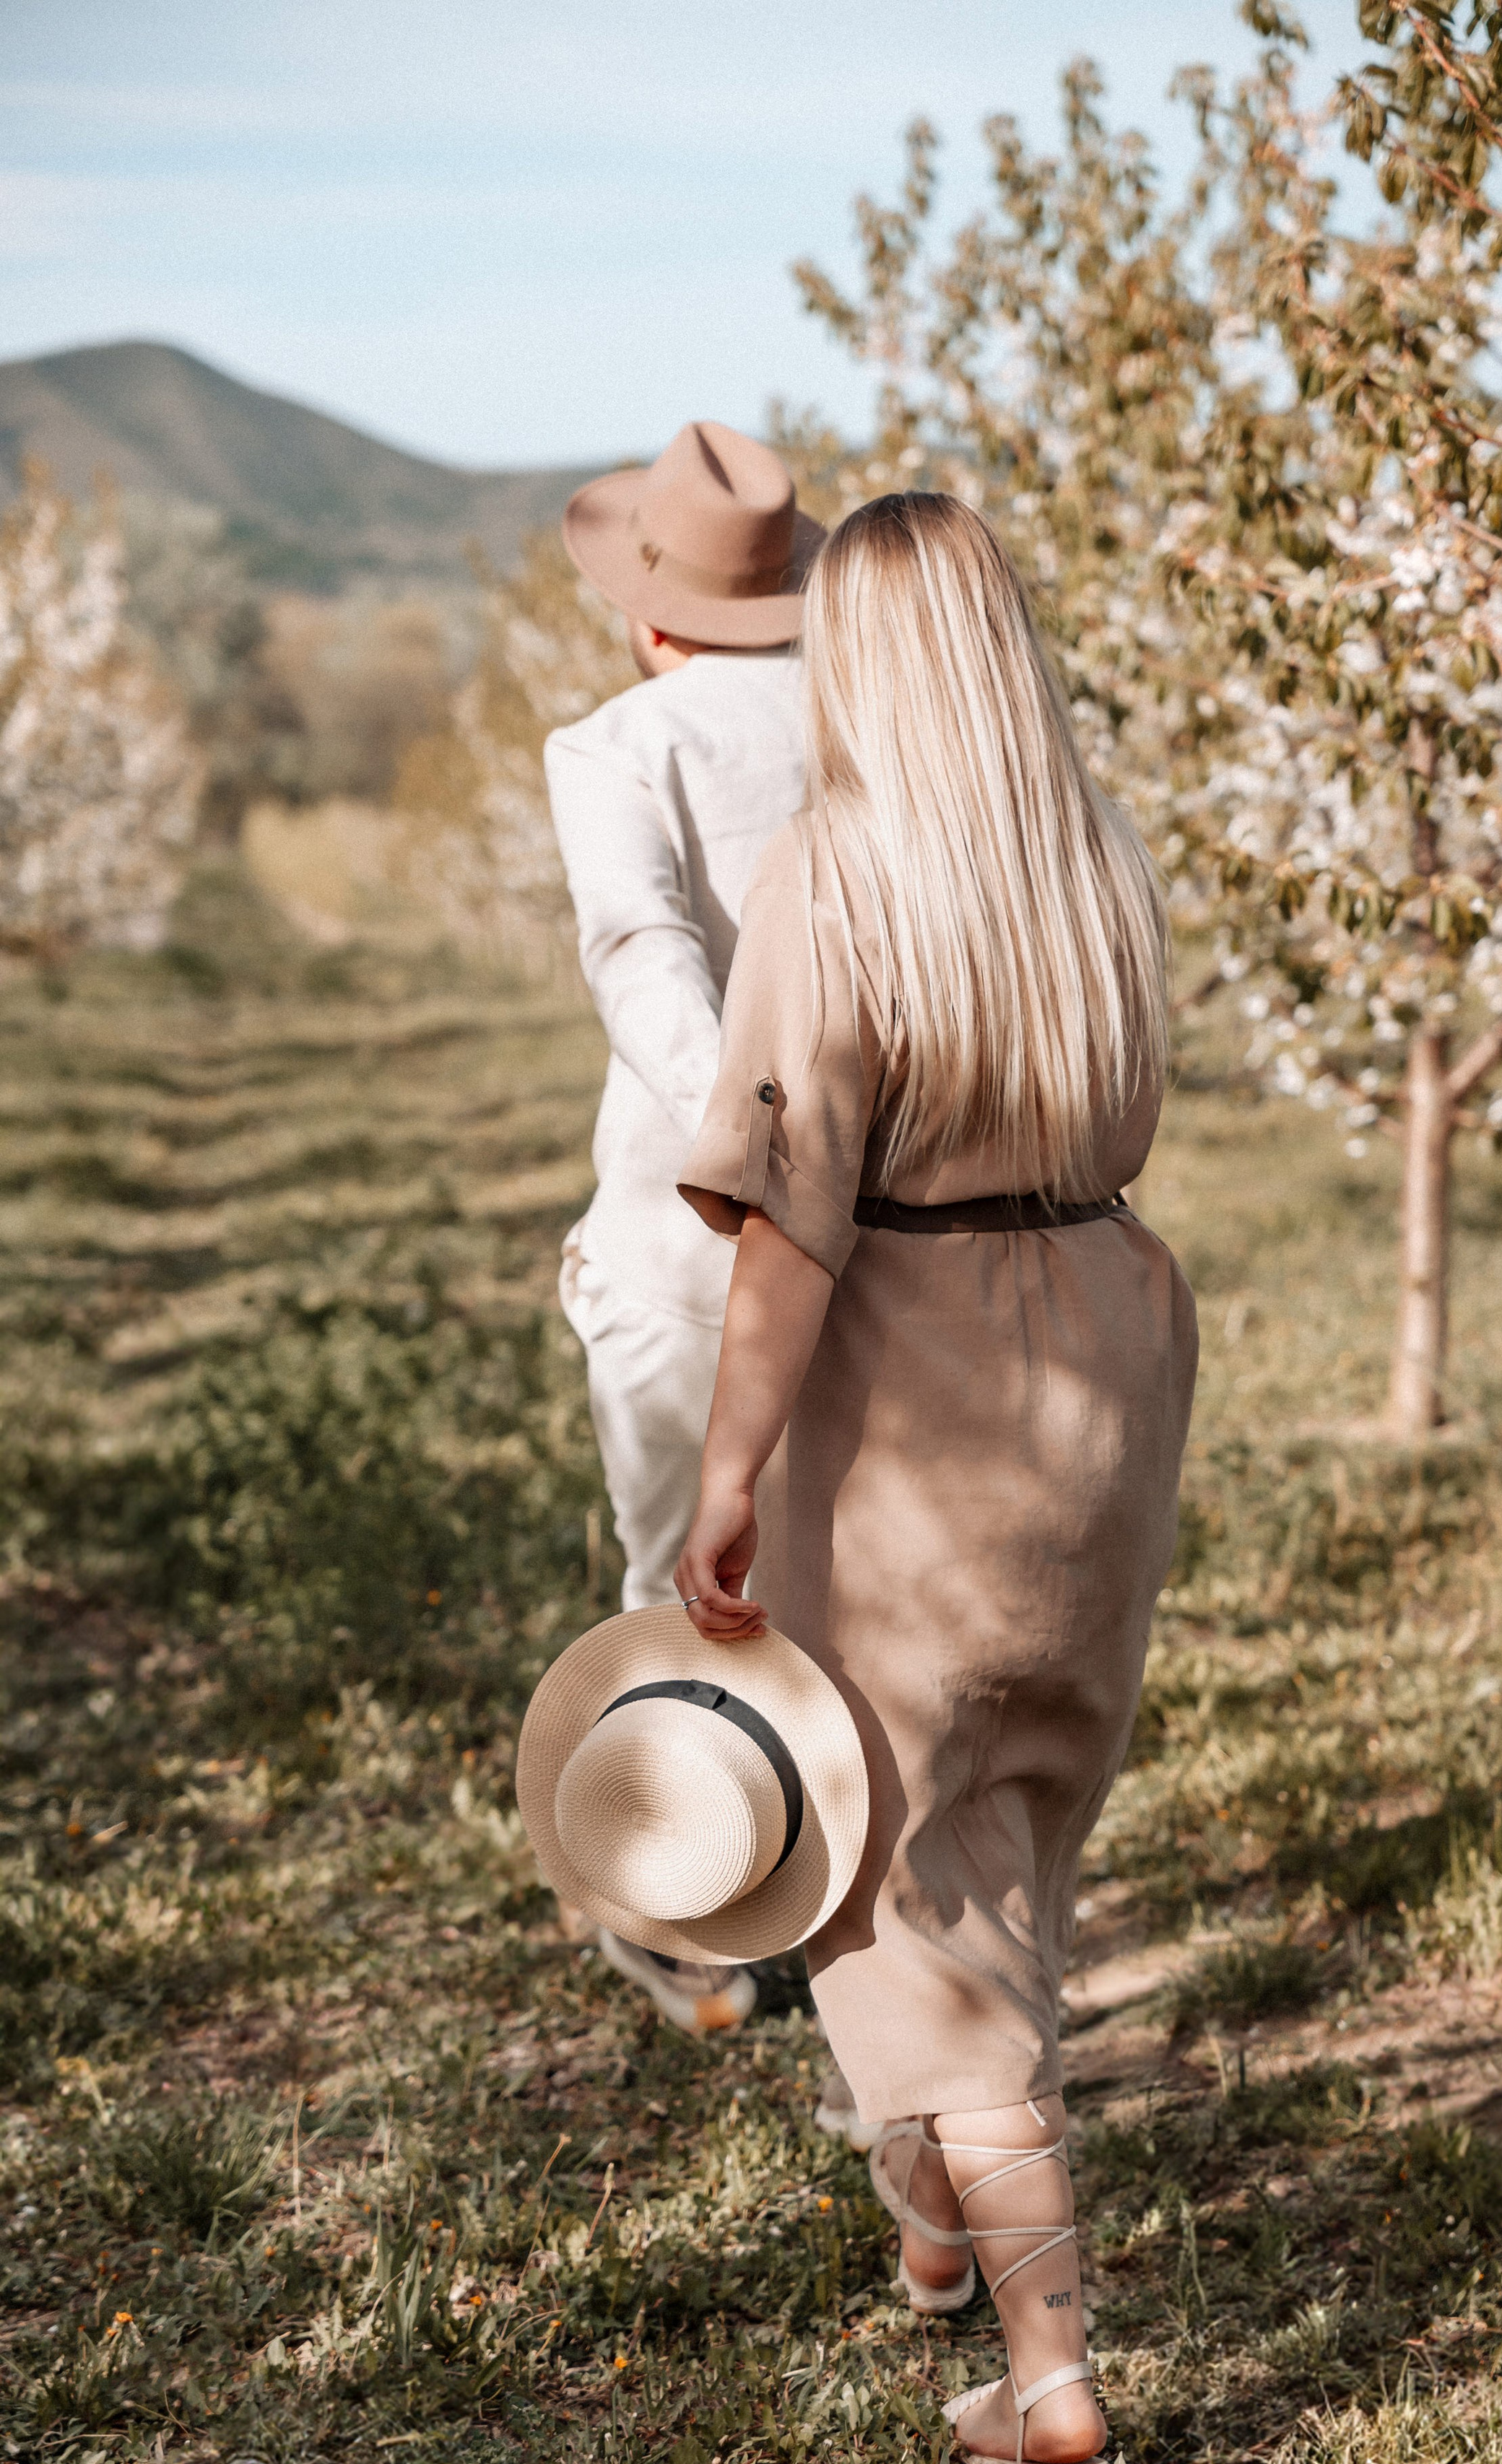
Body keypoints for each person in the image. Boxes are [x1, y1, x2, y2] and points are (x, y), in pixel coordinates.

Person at [673, 492, 1198, 2464]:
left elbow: (789, 1227)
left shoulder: (836, 871)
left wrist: (730, 1474)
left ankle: (1048, 2371)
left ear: (858, 660)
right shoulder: (1094, 863)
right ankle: (933, 2198)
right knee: (1007, 1822)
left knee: (884, 1858)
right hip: (1100, 1356)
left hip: (917, 1382)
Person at [544, 419, 819, 2038]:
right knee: (852, 1580)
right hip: (892, 1242)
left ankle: (714, 1911)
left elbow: (642, 944)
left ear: (651, 614)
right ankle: (853, 1908)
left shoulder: (618, 742)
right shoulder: (882, 733)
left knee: (684, 1584)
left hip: (686, 1240)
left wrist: (746, 1142)